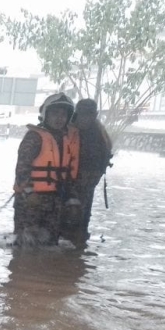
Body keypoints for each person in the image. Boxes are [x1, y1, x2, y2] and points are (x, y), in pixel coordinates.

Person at [13, 93, 80, 246]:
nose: (59, 118)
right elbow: (22, 168)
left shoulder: (65, 140)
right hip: (30, 201)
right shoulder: (34, 137)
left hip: (54, 201)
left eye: (63, 114)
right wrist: (29, 192)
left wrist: (72, 199)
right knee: (25, 245)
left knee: (50, 244)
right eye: (55, 113)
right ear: (46, 115)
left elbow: (68, 174)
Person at [64, 99, 113, 245]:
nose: (85, 118)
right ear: (76, 113)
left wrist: (90, 181)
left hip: (87, 185)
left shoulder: (99, 135)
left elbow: (103, 160)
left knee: (81, 221)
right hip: (64, 184)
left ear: (95, 115)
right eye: (82, 114)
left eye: (89, 114)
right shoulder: (67, 130)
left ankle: (78, 248)